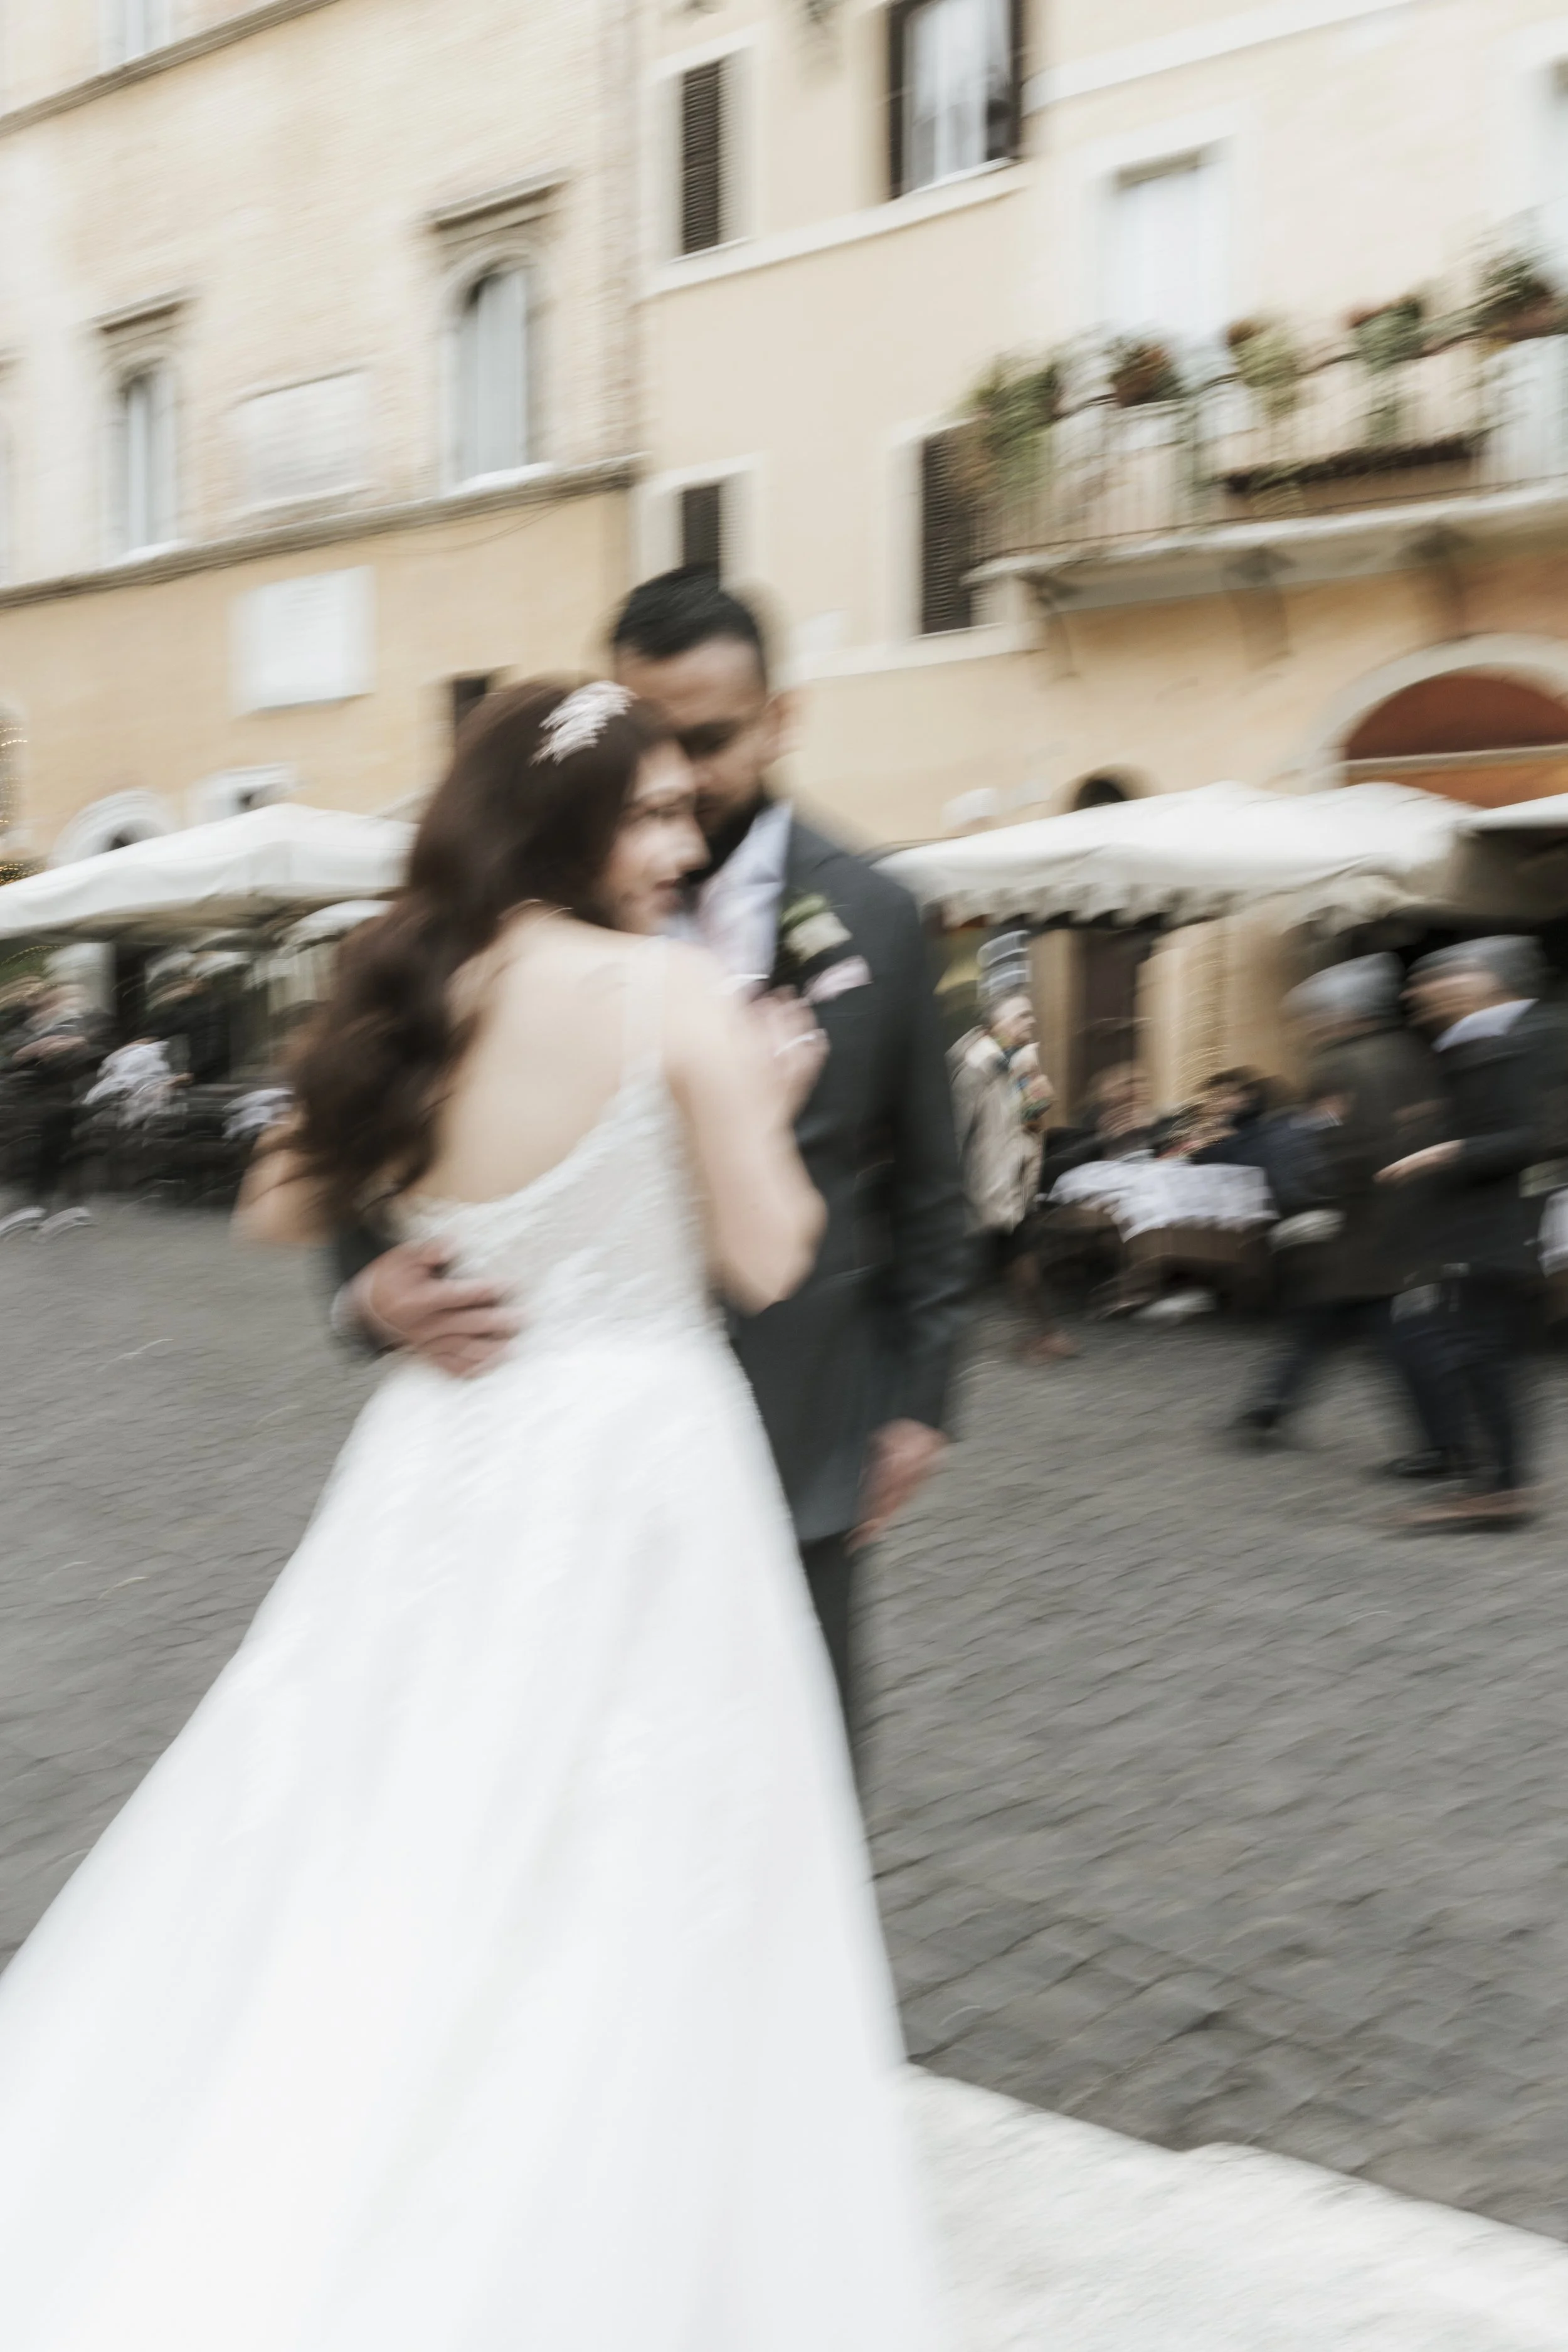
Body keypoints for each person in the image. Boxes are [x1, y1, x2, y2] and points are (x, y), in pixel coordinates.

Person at [0, 681, 938, 2348]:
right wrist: (766, 1095)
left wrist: (389, 1279)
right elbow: (768, 1255)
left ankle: (368, 2095)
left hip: (447, 1449)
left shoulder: (408, 978)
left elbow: (277, 1196)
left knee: (397, 1795)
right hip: (638, 1453)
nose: (682, 844)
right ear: (564, 820)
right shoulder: (669, 990)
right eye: (651, 813)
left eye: (685, 810)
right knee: (629, 1827)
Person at [333, 570, 968, 1737]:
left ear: (782, 719)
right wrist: (365, 1294)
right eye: (648, 737)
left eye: (709, 740)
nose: (678, 773)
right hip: (548, 1459)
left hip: (802, 1433)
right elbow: (367, 1127)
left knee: (793, 1761)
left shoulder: (879, 912)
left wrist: (920, 1400)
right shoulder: (506, 916)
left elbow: (932, 1181)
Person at [1227, 955, 1450, 1457]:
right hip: (1398, 1218)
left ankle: (1443, 1445)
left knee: (1390, 1334)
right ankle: (1271, 1404)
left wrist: (1317, 1195)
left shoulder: (1341, 1064)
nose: (1309, 1026)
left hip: (1359, 1224)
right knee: (1324, 1319)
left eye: (1314, 1015)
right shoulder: (1409, 1052)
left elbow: (1341, 1144)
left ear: (1341, 1014)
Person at [1380, 936, 1547, 1531]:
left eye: (1443, 977)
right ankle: (1499, 1486)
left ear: (1488, 980)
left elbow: (1530, 1137)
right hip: (1478, 1230)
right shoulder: (1477, 1041)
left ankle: (1501, 1491)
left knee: (1483, 1357)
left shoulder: (1526, 1037)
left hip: (1500, 1231)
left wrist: (1445, 1151)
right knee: (1481, 1357)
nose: (1421, 991)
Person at [949, 987, 1075, 1364]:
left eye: (1030, 1014)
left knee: (1017, 1259)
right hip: (984, 1186)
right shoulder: (974, 1068)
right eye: (1021, 1015)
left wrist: (1034, 1089)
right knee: (1007, 1261)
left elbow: (1031, 1121)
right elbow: (955, 1131)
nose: (1030, 1021)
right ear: (996, 1022)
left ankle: (1047, 1334)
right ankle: (1047, 1334)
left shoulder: (1018, 1061)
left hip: (1013, 1183)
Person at [0, 982, 104, 1239]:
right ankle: (40, 1204)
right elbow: (11, 1058)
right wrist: (32, 1050)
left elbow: (94, 1052)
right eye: (56, 1000)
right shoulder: (27, 1028)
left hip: (63, 1101)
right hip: (34, 1103)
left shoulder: (78, 1025)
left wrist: (73, 1044)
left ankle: (53, 1204)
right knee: (43, 1152)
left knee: (60, 1149)